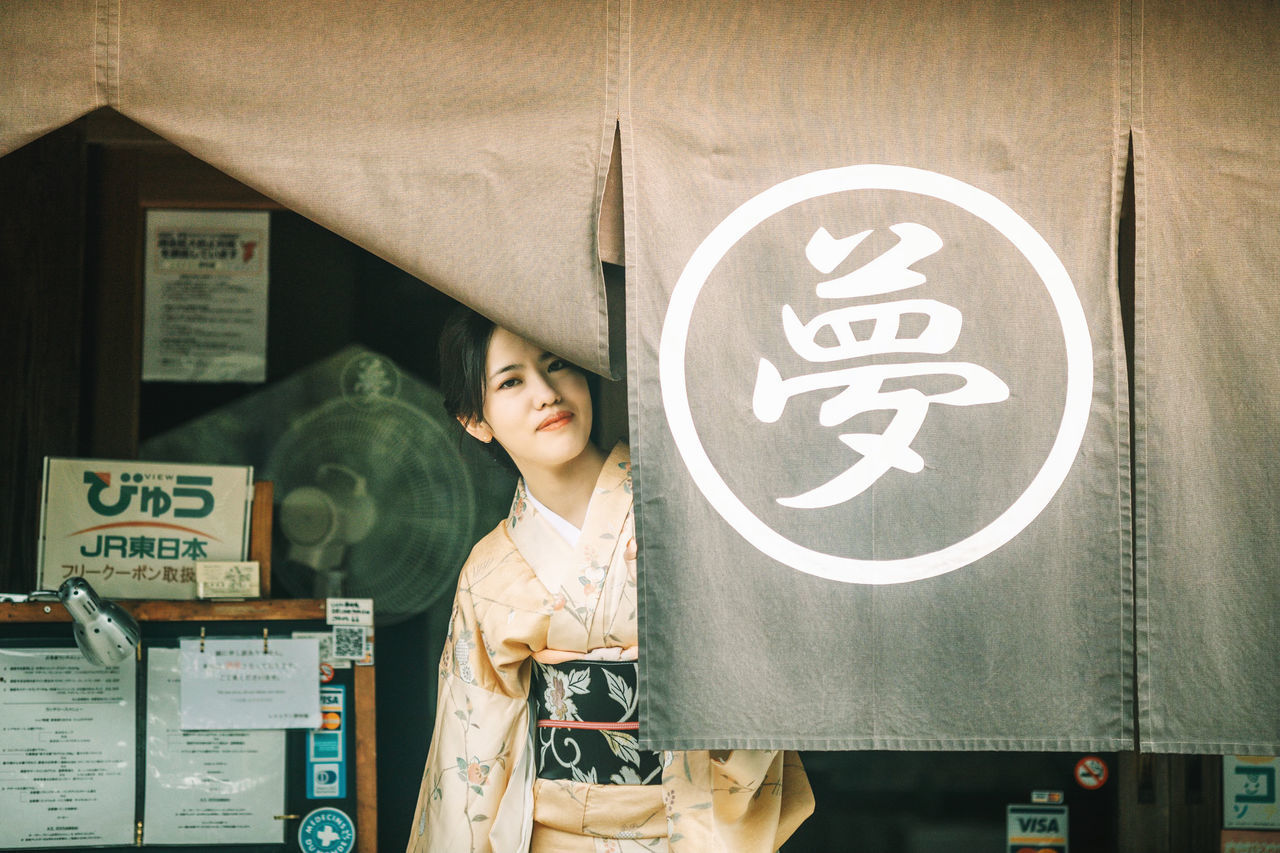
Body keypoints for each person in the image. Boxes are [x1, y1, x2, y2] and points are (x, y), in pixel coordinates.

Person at [406, 308, 813, 853]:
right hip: (553, 837)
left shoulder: (684, 514)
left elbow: (768, 672)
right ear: (474, 420)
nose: (547, 393)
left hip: (687, 827)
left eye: (558, 365)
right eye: (511, 381)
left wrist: (697, 593)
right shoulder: (490, 570)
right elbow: (471, 749)